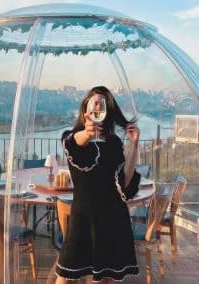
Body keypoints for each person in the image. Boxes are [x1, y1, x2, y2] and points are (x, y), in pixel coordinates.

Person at [55, 86, 141, 283]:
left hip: (112, 215)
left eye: (102, 103)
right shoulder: (72, 137)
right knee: (65, 275)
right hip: (83, 216)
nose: (97, 105)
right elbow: (78, 143)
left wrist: (134, 145)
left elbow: (125, 181)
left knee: (106, 278)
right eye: (94, 101)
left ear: (108, 111)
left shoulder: (114, 142)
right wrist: (87, 132)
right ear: (85, 107)